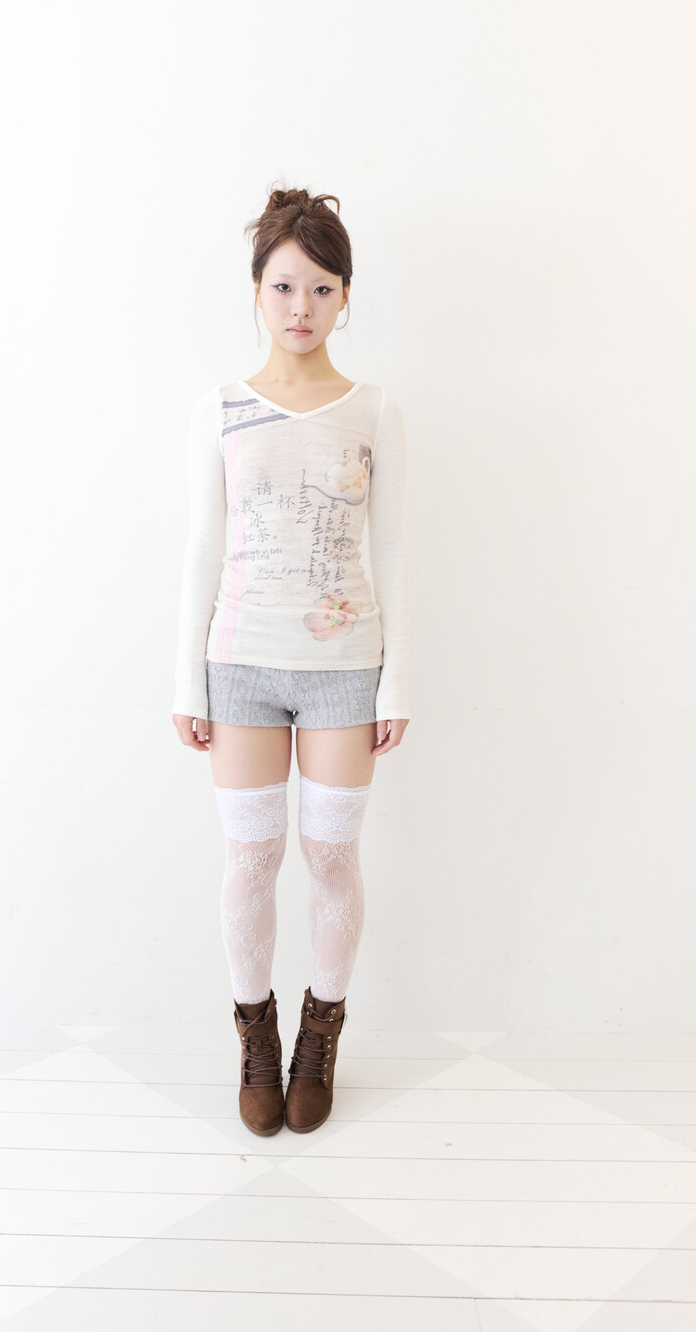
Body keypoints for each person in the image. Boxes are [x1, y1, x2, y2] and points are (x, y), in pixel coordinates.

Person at [171, 185, 410, 1137]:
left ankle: (322, 1031)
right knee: (252, 857)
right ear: (256, 290)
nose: (300, 306)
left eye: (320, 287)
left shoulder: (375, 411)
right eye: (283, 285)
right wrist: (185, 680)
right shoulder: (220, 408)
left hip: (345, 666)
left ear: (345, 295)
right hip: (241, 666)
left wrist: (399, 678)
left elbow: (392, 550)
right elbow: (202, 548)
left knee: (329, 854)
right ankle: (256, 1037)